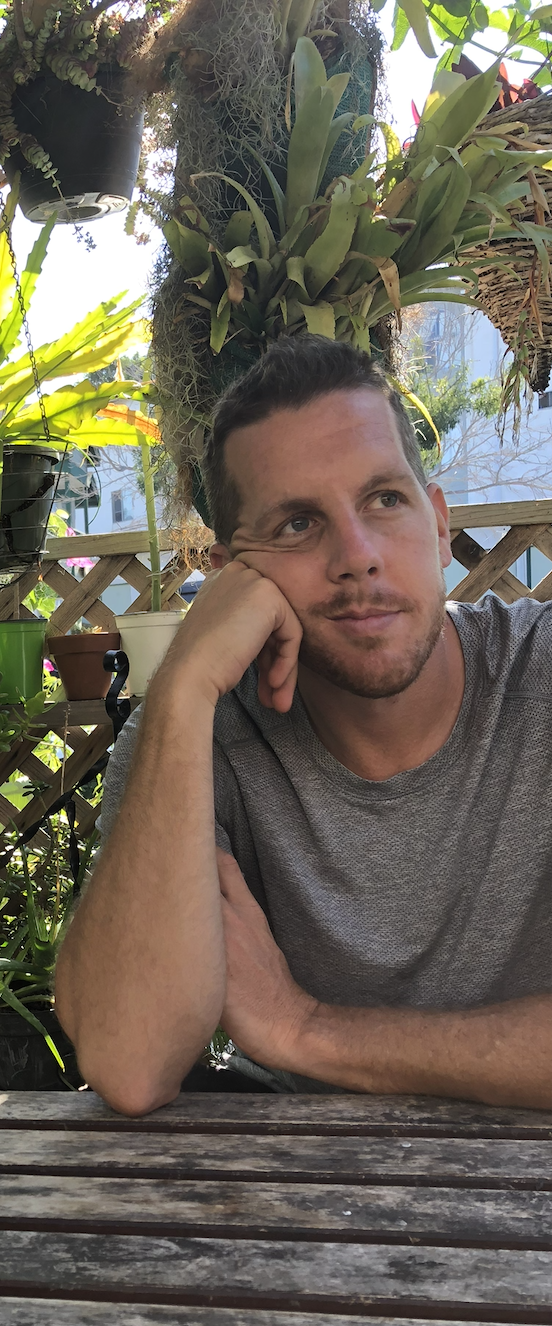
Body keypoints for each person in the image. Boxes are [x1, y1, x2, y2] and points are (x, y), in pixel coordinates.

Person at [53, 334, 552, 1116]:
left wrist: (305, 1029)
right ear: (231, 578)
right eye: (295, 525)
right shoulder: (199, 733)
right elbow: (129, 1060)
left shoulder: (540, 677)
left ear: (437, 523)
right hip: (298, 1204)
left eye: (384, 499)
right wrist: (184, 681)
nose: (356, 556)